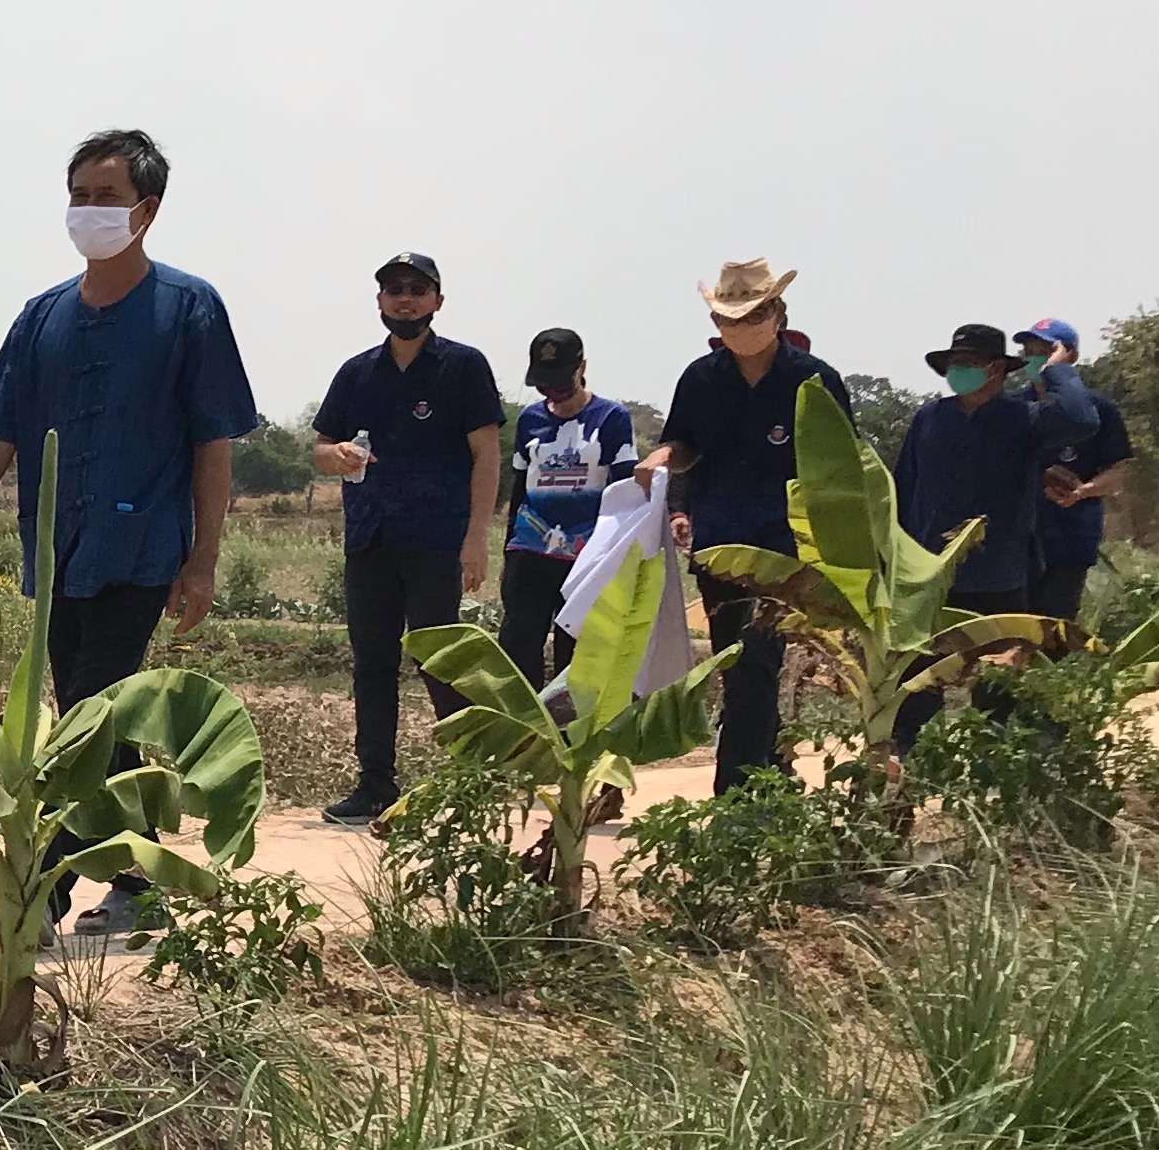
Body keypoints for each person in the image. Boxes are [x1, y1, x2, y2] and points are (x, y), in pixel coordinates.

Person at [0, 126, 257, 937]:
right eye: (78, 196)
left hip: (140, 551)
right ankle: (138, 881)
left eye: (106, 197)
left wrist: (203, 559)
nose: (89, 211)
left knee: (91, 714)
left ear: (147, 210)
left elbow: (214, 443)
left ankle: (48, 887)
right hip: (55, 553)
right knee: (94, 714)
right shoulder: (42, 319)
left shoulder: (189, 308)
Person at [305, 252, 501, 827]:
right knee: (371, 665)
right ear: (379, 302)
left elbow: (485, 456)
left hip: (437, 539)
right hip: (370, 538)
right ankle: (374, 787)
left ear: (438, 300)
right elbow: (320, 449)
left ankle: (468, 780)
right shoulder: (356, 372)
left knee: (440, 662)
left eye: (417, 289)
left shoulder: (463, 367)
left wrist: (476, 539)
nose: (405, 299)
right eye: (394, 290)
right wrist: (334, 455)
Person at [650, 257, 851, 793]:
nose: (740, 328)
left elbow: (841, 469)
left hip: (785, 549)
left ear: (778, 312)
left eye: (752, 315)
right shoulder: (700, 378)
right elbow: (686, 443)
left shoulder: (813, 379)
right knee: (739, 665)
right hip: (719, 547)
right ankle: (771, 772)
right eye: (728, 319)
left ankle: (735, 793)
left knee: (754, 664)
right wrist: (663, 458)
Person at [888, 321, 1054, 761]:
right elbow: (903, 487)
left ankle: (992, 769)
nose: (956, 372)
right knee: (921, 683)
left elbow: (1079, 418)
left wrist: (1053, 371)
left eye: (967, 364)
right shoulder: (929, 418)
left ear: (996, 369)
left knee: (996, 687)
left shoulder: (1025, 419)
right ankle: (911, 767)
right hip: (932, 575)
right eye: (953, 364)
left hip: (999, 574)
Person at [501, 326, 638, 685]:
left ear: (582, 367)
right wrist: (508, 550)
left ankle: (570, 734)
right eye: (545, 386)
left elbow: (624, 490)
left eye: (562, 383)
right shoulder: (530, 420)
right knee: (519, 646)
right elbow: (520, 485)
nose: (554, 395)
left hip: (586, 554)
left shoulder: (610, 417)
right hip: (530, 548)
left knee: (575, 654)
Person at [1015, 318, 1132, 641]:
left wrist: (1082, 492)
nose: (1033, 359)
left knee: (1055, 635)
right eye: (1028, 352)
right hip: (1017, 542)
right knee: (1011, 635)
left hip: (1070, 540)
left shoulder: (1098, 410)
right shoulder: (1013, 407)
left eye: (1044, 352)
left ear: (1070, 357)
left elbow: (1117, 474)